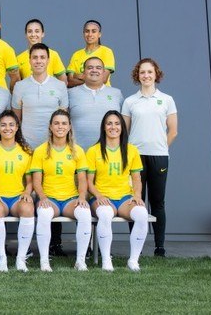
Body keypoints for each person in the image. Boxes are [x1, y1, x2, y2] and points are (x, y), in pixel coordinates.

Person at [121, 58, 177, 257]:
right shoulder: (130, 101)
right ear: (137, 76)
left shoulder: (167, 100)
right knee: (135, 201)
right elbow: (124, 133)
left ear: (156, 75)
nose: (146, 75)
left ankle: (159, 246)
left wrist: (160, 147)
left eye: (149, 72)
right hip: (135, 159)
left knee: (157, 201)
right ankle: (136, 247)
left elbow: (173, 131)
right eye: (142, 72)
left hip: (159, 157)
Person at [87, 111, 149, 271]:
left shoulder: (131, 150)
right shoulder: (93, 151)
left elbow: (136, 178)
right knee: (106, 214)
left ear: (122, 127)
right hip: (101, 197)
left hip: (124, 198)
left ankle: (133, 260)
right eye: (109, 123)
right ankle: (106, 260)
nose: (113, 127)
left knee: (142, 214)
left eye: (116, 123)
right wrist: (98, 196)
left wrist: (137, 195)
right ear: (103, 127)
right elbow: (88, 182)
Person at [31, 110, 91, 272]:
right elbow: (36, 180)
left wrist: (82, 197)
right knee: (43, 213)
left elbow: (82, 179)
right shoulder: (41, 150)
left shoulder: (77, 150)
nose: (60, 126)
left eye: (64, 123)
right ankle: (44, 261)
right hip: (50, 198)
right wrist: (42, 197)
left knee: (85, 213)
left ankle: (80, 261)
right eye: (56, 123)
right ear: (50, 127)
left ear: (69, 127)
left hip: (70, 199)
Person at [0, 111, 35, 272]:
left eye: (11, 125)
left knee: (28, 209)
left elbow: (30, 180)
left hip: (17, 197)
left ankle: (21, 259)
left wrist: (27, 193)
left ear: (17, 127)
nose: (7, 128)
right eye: (3, 125)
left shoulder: (25, 151)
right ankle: (2, 259)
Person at [12, 43, 69, 149]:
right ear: (29, 60)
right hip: (27, 147)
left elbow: (63, 120)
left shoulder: (60, 86)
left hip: (53, 147)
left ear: (48, 60)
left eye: (42, 57)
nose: (38, 61)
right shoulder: (19, 86)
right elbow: (17, 120)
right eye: (35, 57)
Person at [68, 56, 124, 149]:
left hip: (109, 154)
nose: (94, 70)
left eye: (98, 68)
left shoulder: (116, 94)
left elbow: (124, 124)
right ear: (83, 72)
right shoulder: (71, 93)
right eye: (90, 68)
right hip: (78, 153)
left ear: (103, 72)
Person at [67, 19, 115, 87]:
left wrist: (80, 76)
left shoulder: (106, 52)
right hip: (81, 95)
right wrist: (94, 79)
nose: (90, 34)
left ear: (99, 34)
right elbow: (70, 82)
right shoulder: (76, 55)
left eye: (94, 31)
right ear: (83, 34)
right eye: (87, 31)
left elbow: (103, 79)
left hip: (102, 95)